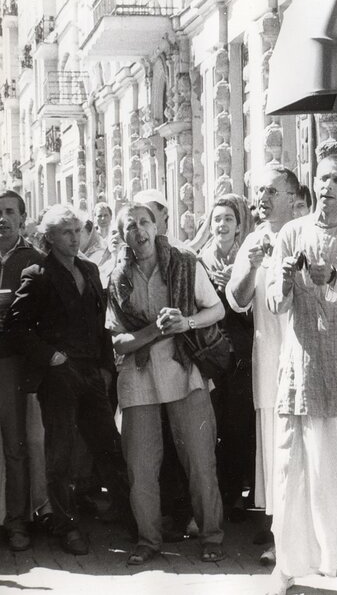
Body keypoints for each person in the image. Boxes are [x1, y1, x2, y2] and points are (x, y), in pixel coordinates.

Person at [265, 155, 337, 595]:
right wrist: (286, 281)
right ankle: (290, 565)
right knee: (293, 470)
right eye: (322, 178)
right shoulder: (291, 233)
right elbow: (275, 304)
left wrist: (333, 277)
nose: (327, 186)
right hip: (302, 371)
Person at [6, 204, 132, 555]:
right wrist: (51, 356)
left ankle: (134, 520)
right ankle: (67, 527)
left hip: (91, 371)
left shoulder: (90, 270)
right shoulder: (38, 274)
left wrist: (106, 368)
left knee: (108, 445)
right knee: (59, 454)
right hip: (58, 375)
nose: (75, 238)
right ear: (49, 237)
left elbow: (101, 324)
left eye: (78, 231)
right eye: (66, 232)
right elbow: (17, 327)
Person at [106, 203, 226, 566]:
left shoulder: (185, 263)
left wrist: (185, 323)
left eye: (145, 222)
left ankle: (212, 537)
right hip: (138, 379)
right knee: (140, 469)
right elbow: (117, 340)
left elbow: (216, 309)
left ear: (157, 226)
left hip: (183, 372)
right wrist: (153, 330)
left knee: (200, 462)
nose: (139, 231)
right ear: (123, 234)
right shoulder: (117, 277)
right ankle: (148, 541)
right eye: (130, 225)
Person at [226, 164, 299, 565]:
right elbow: (236, 299)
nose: (263, 198)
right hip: (269, 361)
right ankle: (282, 539)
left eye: (272, 190)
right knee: (275, 449)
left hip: (308, 361)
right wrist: (252, 265)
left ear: (292, 195)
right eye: (259, 191)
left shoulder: (305, 232)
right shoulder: (253, 240)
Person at [198, 196, 256, 521]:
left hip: (240, 358)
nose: (222, 225)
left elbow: (255, 316)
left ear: (238, 226)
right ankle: (215, 498)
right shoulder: (200, 261)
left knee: (238, 428)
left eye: (228, 220)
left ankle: (234, 495)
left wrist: (234, 288)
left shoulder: (245, 260)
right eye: (217, 219)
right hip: (210, 357)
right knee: (211, 427)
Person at [0, 191, 43, 551]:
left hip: (11, 362)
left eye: (9, 212)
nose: (2, 219)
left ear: (22, 218)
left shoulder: (33, 260)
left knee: (15, 445)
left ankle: (17, 522)